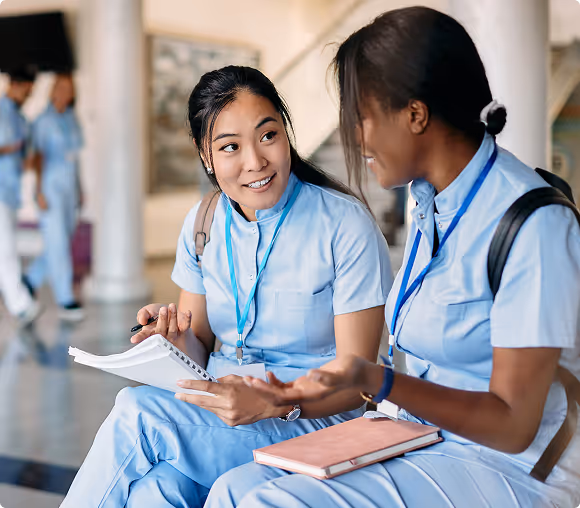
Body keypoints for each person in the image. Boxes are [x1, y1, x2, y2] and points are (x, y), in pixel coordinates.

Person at [206, 7, 580, 508]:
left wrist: (378, 379)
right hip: (424, 436)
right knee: (234, 489)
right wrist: (295, 396)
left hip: (509, 466)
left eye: (360, 118)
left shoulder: (534, 224)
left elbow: (513, 426)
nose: (355, 139)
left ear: (415, 115)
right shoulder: (431, 206)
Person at [61, 66, 393, 507]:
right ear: (206, 155)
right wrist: (174, 339)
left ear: (285, 132)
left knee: (137, 414)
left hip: (311, 418)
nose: (255, 162)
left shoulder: (345, 225)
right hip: (220, 411)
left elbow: (359, 384)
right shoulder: (202, 224)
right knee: (155, 491)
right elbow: (199, 348)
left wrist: (276, 403)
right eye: (230, 147)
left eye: (268, 136)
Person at [24, 74, 85, 321]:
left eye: (69, 88)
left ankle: (29, 280)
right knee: (57, 242)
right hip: (49, 187)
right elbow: (36, 158)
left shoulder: (72, 119)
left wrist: (81, 188)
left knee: (61, 239)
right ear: (53, 90)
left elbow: (75, 157)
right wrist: (38, 190)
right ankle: (65, 298)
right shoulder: (43, 121)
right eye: (61, 87)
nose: (65, 92)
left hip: (69, 188)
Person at [0, 69, 42, 325]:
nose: (28, 95)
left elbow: (24, 159)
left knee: (5, 245)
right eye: (26, 90)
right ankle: (20, 305)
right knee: (5, 248)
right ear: (15, 84)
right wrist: (12, 147)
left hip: (10, 191)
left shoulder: (20, 118)